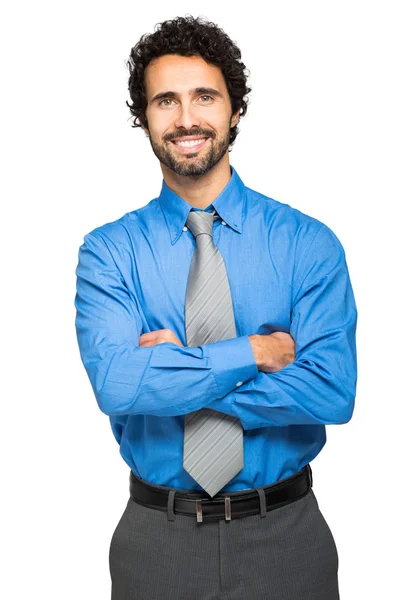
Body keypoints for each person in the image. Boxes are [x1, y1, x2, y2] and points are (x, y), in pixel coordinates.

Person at [74, 14, 358, 600]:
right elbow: (119, 386)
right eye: (165, 101)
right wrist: (254, 352)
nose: (186, 119)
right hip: (157, 542)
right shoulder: (109, 252)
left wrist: (179, 374)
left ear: (234, 110)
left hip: (287, 538)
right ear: (143, 118)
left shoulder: (307, 243)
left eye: (204, 97)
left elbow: (331, 392)